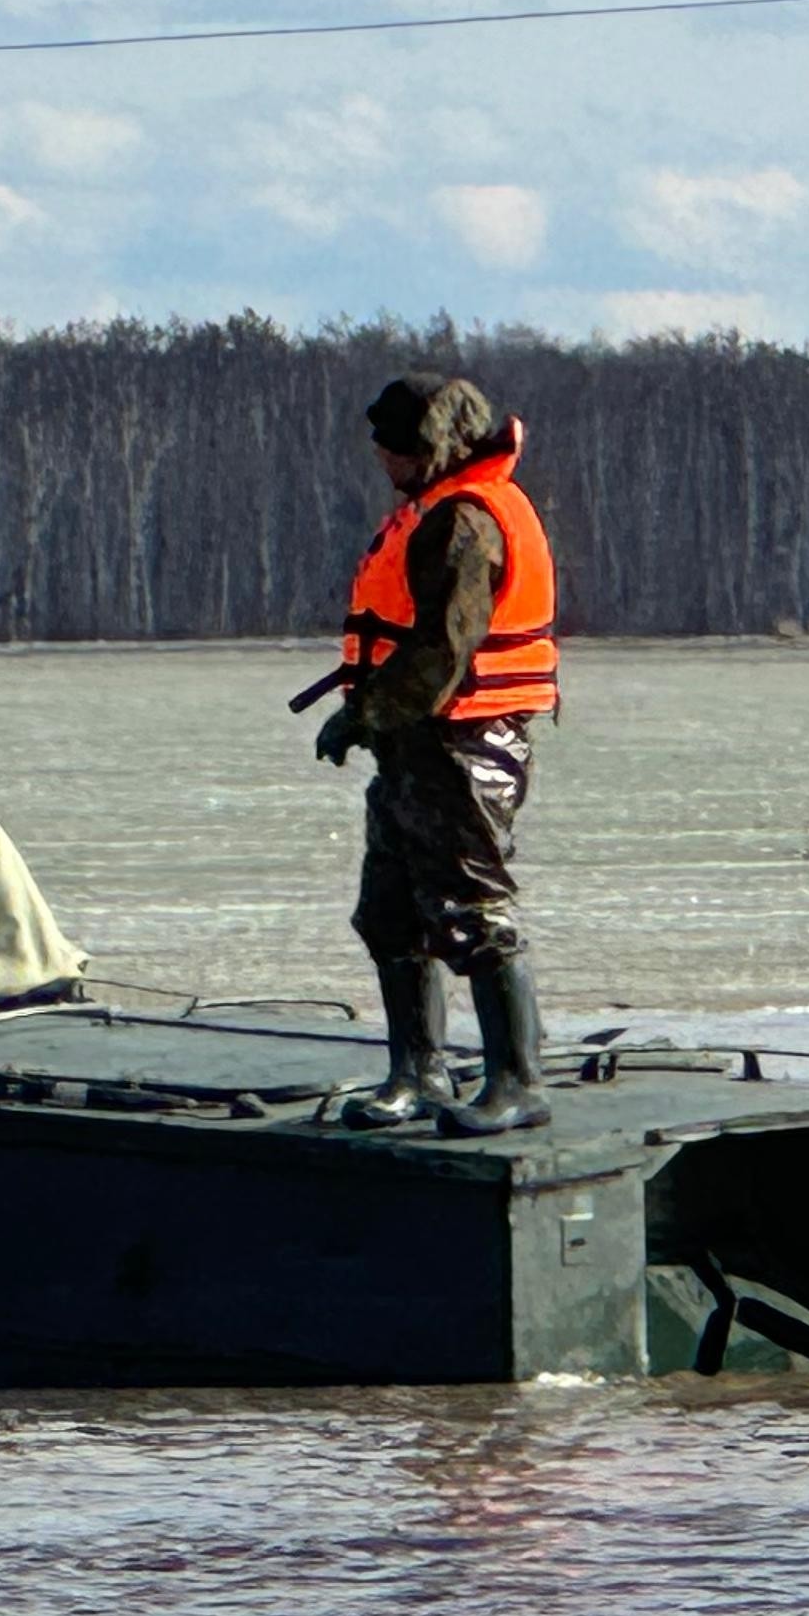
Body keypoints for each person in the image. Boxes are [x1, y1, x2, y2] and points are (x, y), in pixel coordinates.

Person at [313, 370, 561, 1133]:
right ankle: (417, 1072)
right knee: (389, 912)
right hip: (413, 745)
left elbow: (443, 649)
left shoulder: (466, 522)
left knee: (474, 907)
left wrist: (363, 714)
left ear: (430, 449)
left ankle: (516, 1081)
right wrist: (375, 719)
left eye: (393, 448)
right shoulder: (434, 512)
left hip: (466, 742)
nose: (382, 462)